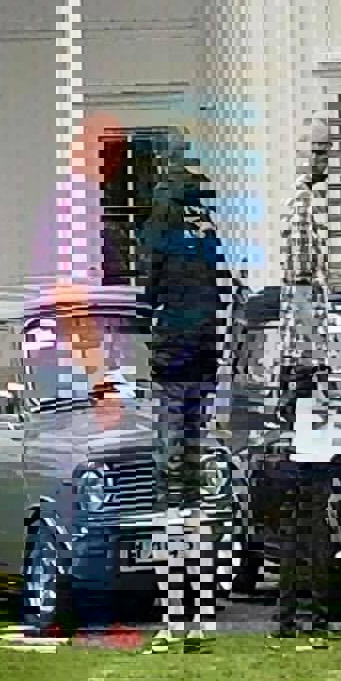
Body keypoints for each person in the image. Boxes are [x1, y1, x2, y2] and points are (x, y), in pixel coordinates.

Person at [137, 155, 229, 654]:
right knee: (197, 494)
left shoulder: (160, 233)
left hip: (172, 366)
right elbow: (222, 294)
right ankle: (201, 614)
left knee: (170, 492)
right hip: (204, 365)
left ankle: (174, 616)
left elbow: (146, 298)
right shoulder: (207, 232)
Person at [271, 120, 341, 648]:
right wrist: (321, 381)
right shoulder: (306, 211)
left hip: (302, 387)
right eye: (320, 152)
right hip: (309, 390)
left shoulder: (300, 210)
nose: (325, 161)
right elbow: (309, 286)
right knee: (311, 512)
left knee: (302, 513)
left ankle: (295, 615)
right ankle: (307, 615)